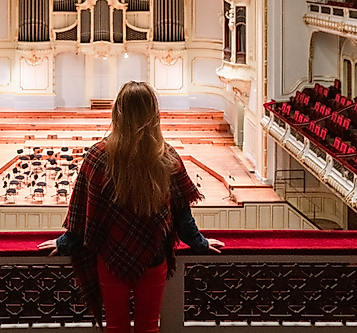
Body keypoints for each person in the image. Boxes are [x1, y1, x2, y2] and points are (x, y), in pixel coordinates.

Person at [38, 81, 224, 332]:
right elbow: (182, 216)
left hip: (110, 257)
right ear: (154, 115)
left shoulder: (98, 155)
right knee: (148, 327)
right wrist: (199, 243)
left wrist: (65, 242)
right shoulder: (167, 157)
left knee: (116, 327)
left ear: (118, 114)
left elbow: (82, 212)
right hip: (154, 256)